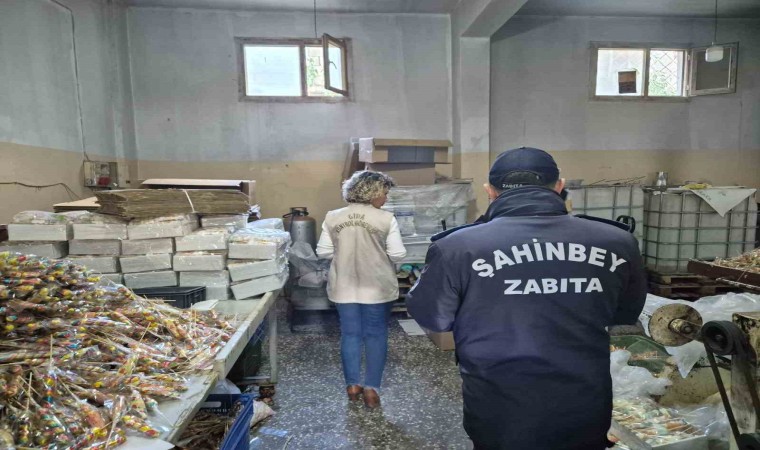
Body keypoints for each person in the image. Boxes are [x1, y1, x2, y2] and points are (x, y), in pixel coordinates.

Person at [406, 147, 647, 450]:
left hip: (498, 404)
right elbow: (625, 313)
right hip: (584, 401)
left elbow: (434, 317)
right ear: (559, 186)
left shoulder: (457, 247)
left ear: (490, 191)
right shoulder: (617, 241)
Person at [317, 171, 407, 408]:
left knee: (350, 335)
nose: (386, 198)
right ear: (373, 192)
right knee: (375, 335)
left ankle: (353, 385)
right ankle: (371, 389)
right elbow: (398, 254)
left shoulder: (333, 217)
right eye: (385, 193)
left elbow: (323, 252)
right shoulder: (386, 218)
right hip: (376, 287)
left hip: (344, 286)